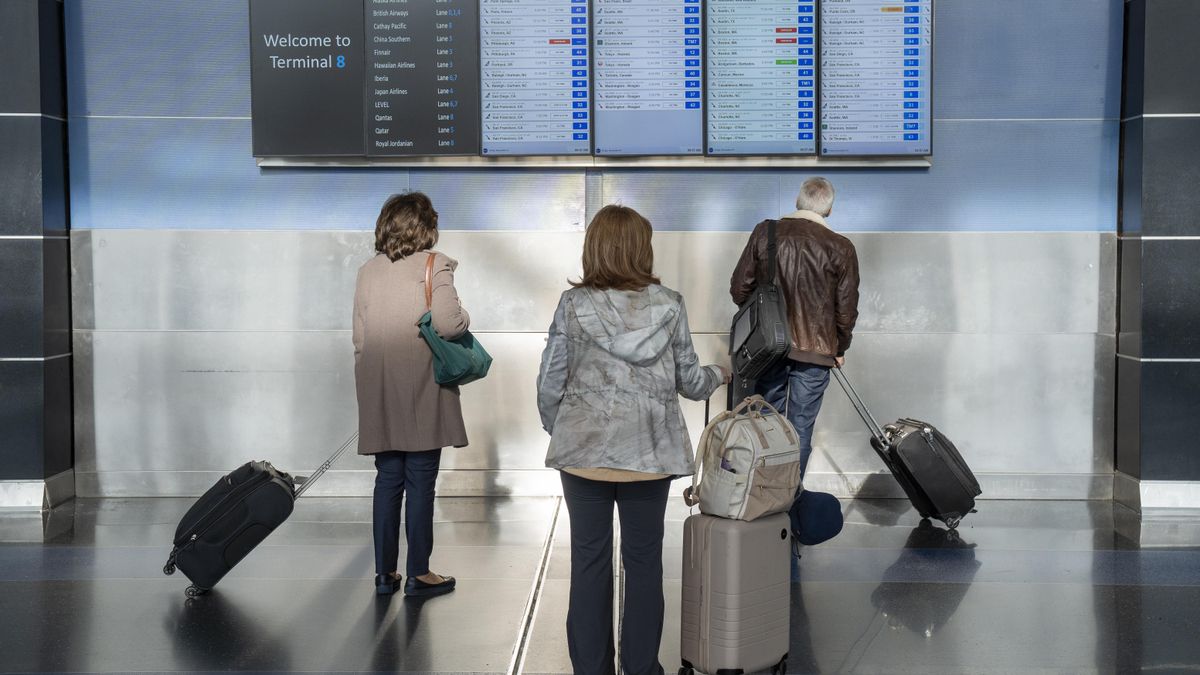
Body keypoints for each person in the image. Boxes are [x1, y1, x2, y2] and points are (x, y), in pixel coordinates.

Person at [537, 205, 730, 675]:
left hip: (583, 455)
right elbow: (690, 382)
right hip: (649, 455)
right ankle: (642, 668)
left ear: (595, 248)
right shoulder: (670, 304)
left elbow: (550, 381)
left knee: (588, 561)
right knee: (644, 565)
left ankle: (591, 669)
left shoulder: (572, 306)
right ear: (642, 249)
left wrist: (560, 426)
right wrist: (722, 373)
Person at [353, 191, 467, 598]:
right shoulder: (435, 265)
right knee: (420, 481)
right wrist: (465, 314)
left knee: (387, 480)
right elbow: (450, 325)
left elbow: (360, 340)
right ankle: (419, 572)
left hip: (378, 387)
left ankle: (385, 575)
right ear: (426, 227)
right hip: (422, 387)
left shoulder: (367, 271)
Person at [729, 177, 860, 478]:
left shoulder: (766, 232)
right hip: (816, 353)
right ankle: (790, 500)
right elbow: (846, 310)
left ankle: (760, 499)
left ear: (798, 201)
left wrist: (766, 322)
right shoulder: (841, 248)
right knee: (800, 428)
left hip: (767, 349)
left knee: (764, 424)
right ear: (829, 209)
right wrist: (839, 348)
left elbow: (739, 290)